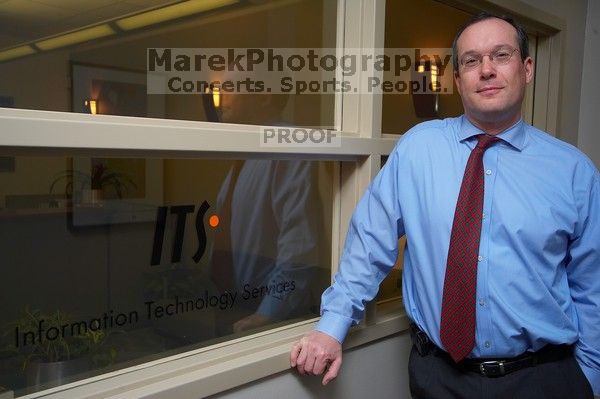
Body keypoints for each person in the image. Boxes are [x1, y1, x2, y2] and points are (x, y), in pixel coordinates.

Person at [290, 12, 600, 399]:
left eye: (501, 56)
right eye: (471, 61)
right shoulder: (419, 148)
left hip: (542, 380)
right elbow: (370, 243)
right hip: (439, 378)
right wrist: (332, 326)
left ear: (527, 68)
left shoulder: (573, 171)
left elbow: (592, 286)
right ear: (457, 80)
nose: (486, 70)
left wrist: (589, 378)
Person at [209, 90, 326, 335]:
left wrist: (269, 312)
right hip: (235, 304)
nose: (221, 96)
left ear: (263, 97)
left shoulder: (287, 144)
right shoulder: (250, 149)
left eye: (230, 88)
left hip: (269, 317)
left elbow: (299, 244)